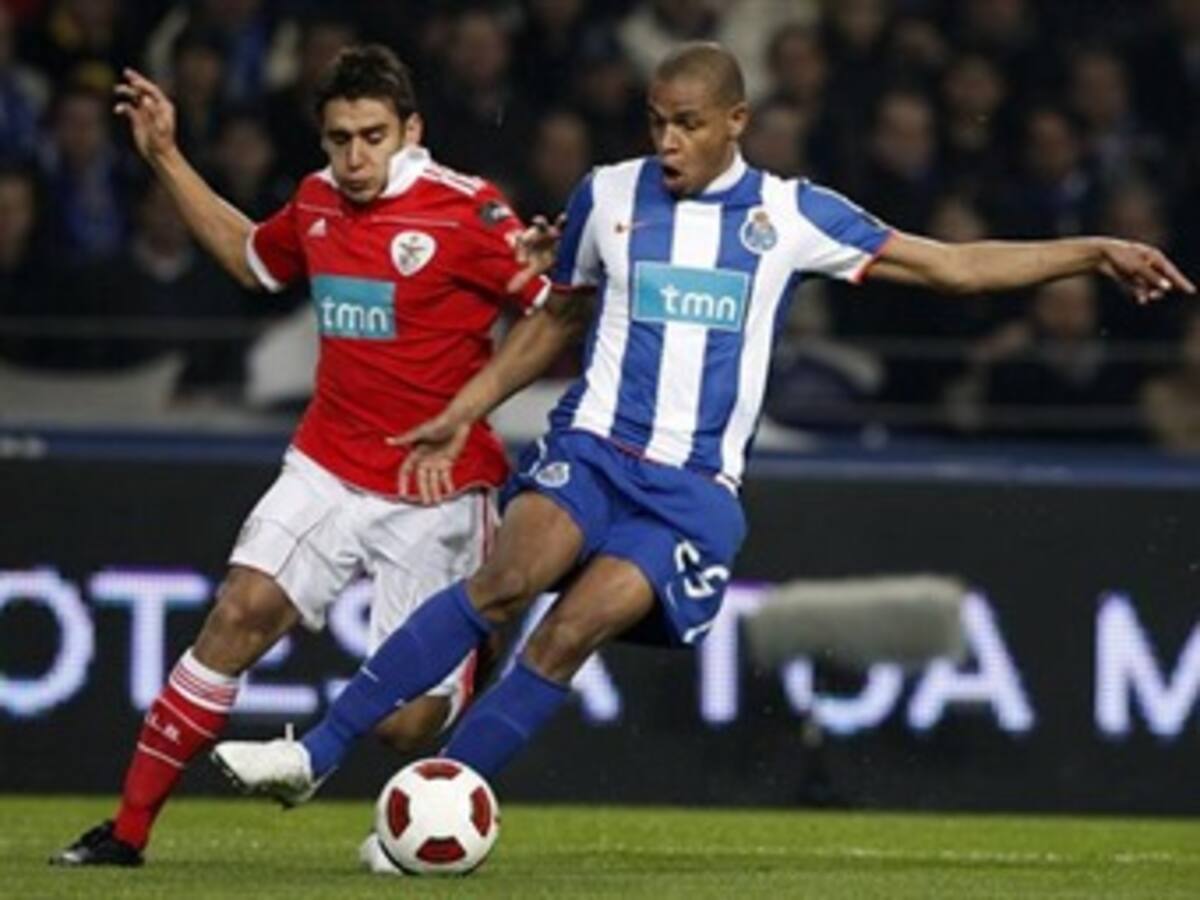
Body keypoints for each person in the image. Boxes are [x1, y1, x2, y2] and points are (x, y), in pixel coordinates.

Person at [212, 42, 1193, 810]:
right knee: (505, 579)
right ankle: (316, 753)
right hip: (593, 448)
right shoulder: (607, 193)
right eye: (656, 122)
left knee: (570, 635)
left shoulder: (792, 214)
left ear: (736, 122)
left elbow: (954, 266)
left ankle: (430, 807)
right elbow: (557, 314)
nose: (668, 142)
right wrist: (466, 409)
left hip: (690, 494)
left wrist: (1092, 251)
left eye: (687, 124)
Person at [51, 43, 553, 868]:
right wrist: (166, 156)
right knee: (238, 612)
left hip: (436, 487)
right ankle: (127, 833)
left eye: (372, 136)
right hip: (327, 462)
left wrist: (472, 407)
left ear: (411, 131)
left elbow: (554, 314)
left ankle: (480, 637)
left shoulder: (468, 213)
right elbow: (253, 259)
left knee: (404, 729)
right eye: (339, 139)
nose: (354, 157)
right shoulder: (317, 201)